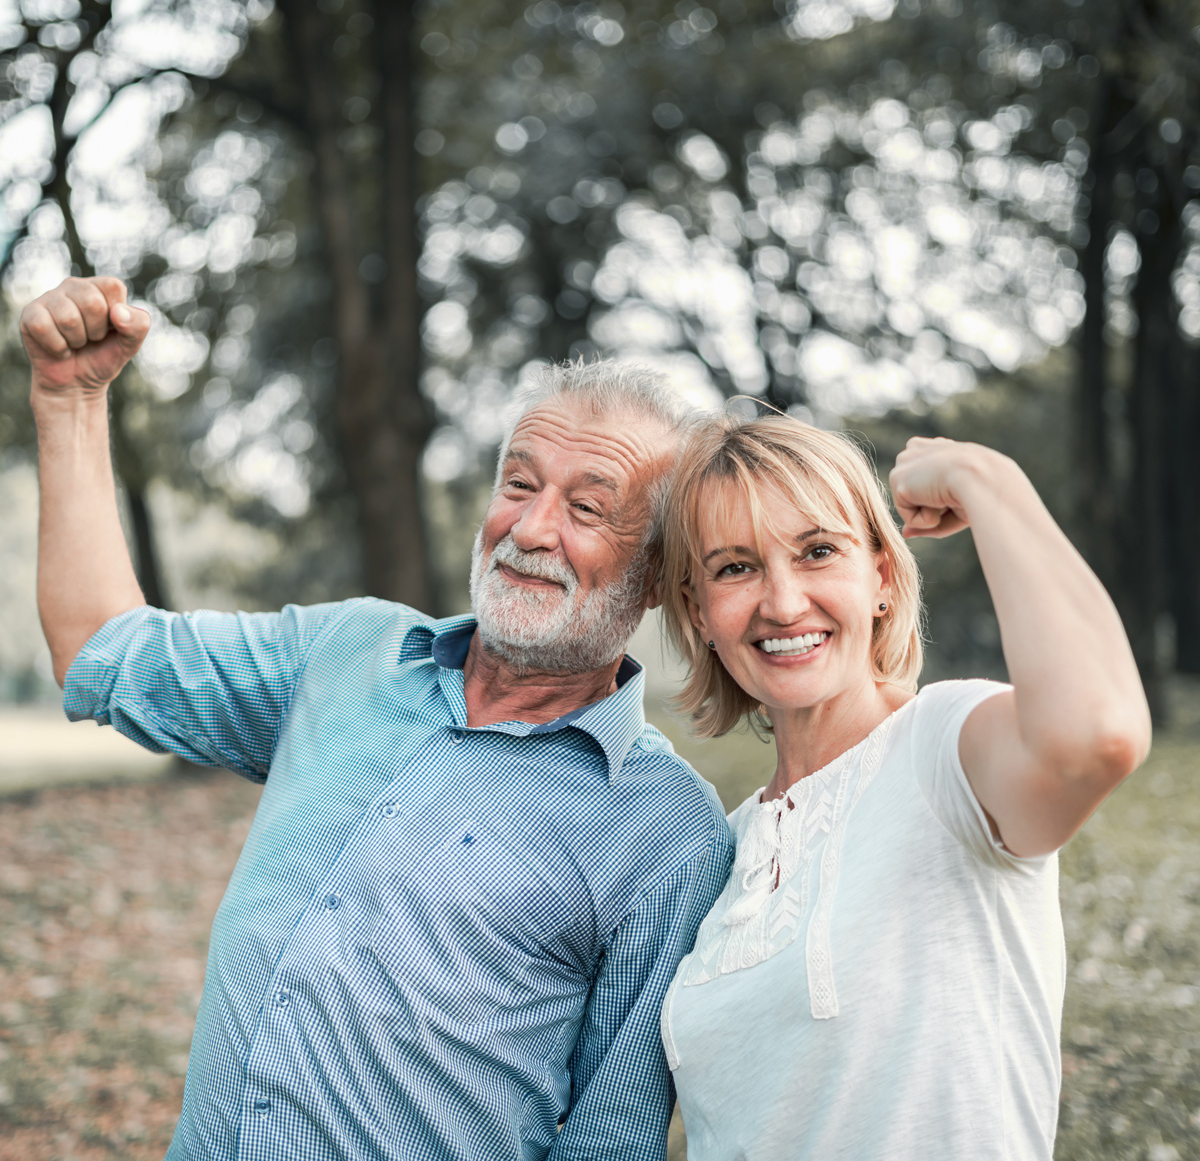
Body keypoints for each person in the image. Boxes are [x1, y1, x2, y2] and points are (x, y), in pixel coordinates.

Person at [21, 275, 735, 1161]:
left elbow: (607, 1140)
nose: (532, 529)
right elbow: (102, 647)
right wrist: (71, 400)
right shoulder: (347, 653)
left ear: (659, 573)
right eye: (519, 484)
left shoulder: (668, 832)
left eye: (588, 508)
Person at [655, 413, 1151, 1160]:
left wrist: (985, 480)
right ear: (700, 612)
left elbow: (1096, 736)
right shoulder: (720, 848)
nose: (783, 603)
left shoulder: (943, 751)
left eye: (818, 551)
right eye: (735, 567)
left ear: (881, 578)